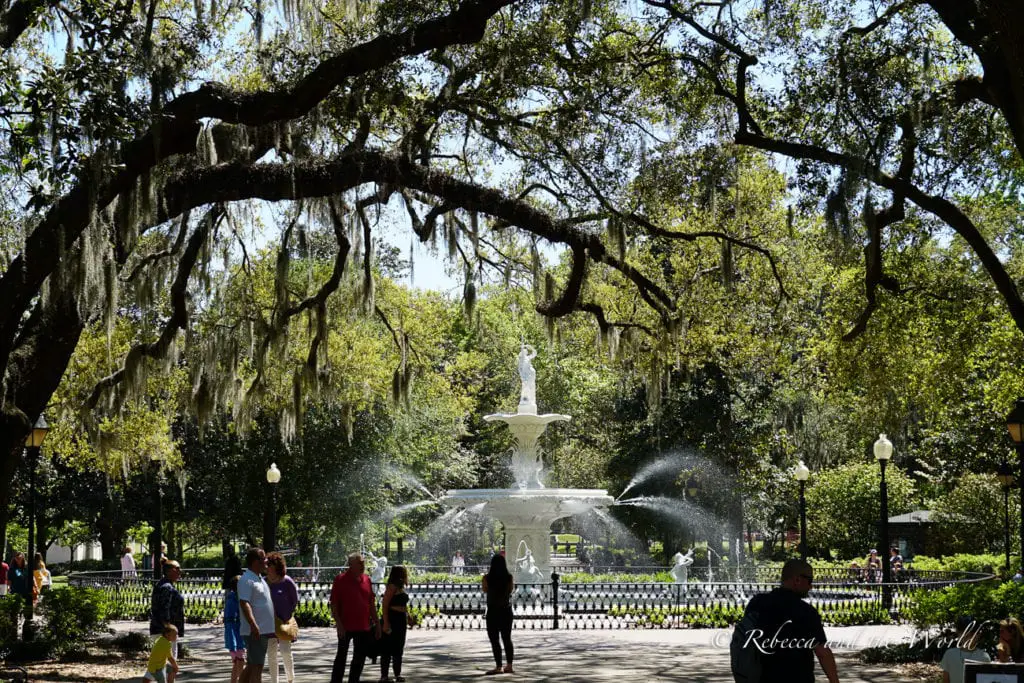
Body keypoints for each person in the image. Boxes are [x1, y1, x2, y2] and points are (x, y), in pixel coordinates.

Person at [733, 559, 839, 683]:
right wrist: (834, 680)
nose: (811, 586)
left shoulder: (757, 603)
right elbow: (822, 652)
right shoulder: (806, 612)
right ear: (797, 580)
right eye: (810, 581)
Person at [331, 552, 381, 683]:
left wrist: (377, 624)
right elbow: (334, 605)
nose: (363, 565)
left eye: (363, 563)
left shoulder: (367, 580)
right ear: (351, 565)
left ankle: (354, 680)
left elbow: (371, 605)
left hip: (363, 626)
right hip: (345, 626)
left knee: (359, 658)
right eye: (359, 563)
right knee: (341, 657)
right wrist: (339, 625)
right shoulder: (340, 580)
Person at [239, 547, 275, 683]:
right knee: (257, 667)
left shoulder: (258, 578)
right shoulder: (247, 580)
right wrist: (253, 625)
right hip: (255, 631)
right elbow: (244, 603)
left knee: (252, 665)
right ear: (255, 562)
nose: (266, 561)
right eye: (263, 558)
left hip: (262, 630)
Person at [266, 552, 299, 683]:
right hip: (268, 624)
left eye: (270, 565)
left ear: (277, 566)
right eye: (267, 565)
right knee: (271, 654)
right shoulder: (264, 582)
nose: (268, 567)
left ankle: (290, 678)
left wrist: (287, 615)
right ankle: (274, 681)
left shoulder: (287, 581)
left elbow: (294, 600)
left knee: (286, 652)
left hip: (284, 623)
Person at [482, 554, 515, 675]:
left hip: (493, 611)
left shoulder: (486, 578)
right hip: (506, 610)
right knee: (507, 638)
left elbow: (485, 590)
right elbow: (511, 590)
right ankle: (509, 666)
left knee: (494, 639)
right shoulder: (509, 578)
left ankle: (499, 666)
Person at [150, 560, 185, 664]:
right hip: (165, 633)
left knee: (162, 664)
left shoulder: (164, 585)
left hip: (162, 631)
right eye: (177, 569)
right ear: (169, 571)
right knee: (169, 664)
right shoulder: (166, 587)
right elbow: (164, 610)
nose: (180, 572)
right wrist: (169, 632)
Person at [380, 565, 411, 683]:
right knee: (387, 647)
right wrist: (386, 622)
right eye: (404, 572)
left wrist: (408, 615)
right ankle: (384, 676)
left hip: (401, 620)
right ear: (399, 574)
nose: (406, 574)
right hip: (392, 618)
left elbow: (403, 604)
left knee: (399, 647)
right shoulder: (392, 587)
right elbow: (385, 604)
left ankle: (397, 674)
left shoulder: (400, 587)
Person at [940, 615, 990, 683]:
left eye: (972, 634)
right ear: (958, 633)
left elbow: (985, 680)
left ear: (978, 635)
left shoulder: (984, 657)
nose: (968, 637)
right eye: (964, 634)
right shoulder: (949, 654)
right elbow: (946, 680)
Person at [224, 573, 246, 683]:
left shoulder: (238, 598)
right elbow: (229, 623)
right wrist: (232, 642)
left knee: (238, 663)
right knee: (240, 662)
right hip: (235, 637)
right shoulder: (232, 600)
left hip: (239, 636)